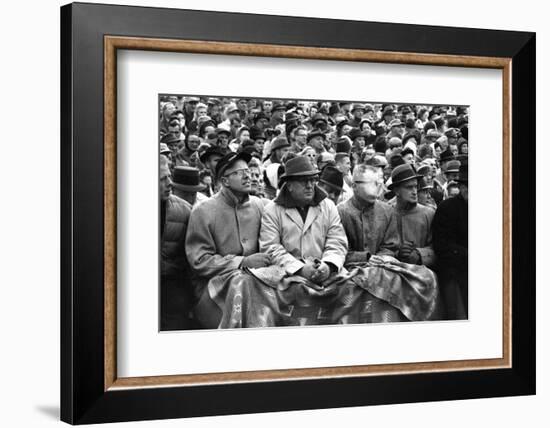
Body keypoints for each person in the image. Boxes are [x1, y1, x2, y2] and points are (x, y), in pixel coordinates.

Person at [185, 152, 270, 327]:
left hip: (258, 280)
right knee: (242, 283)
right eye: (239, 172)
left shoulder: (260, 205)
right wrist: (242, 261)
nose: (247, 176)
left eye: (248, 170)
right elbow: (200, 260)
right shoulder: (203, 211)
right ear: (225, 181)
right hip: (216, 287)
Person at [259, 156, 347, 281]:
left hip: (325, 272)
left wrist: (328, 265)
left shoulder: (328, 206)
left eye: (312, 180)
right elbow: (271, 248)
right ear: (289, 186)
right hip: (288, 273)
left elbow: (337, 241)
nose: (309, 186)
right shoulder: (272, 210)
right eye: (303, 181)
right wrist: (299, 269)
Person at [337, 165, 399, 264]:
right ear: (354, 186)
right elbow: (339, 251)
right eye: (370, 184)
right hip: (351, 270)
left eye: (378, 184)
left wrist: (380, 259)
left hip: (383, 267)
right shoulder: (340, 212)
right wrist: (364, 258)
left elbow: (391, 246)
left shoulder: (387, 211)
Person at [159, 155, 193, 330]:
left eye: (169, 176)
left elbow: (189, 259)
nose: (170, 183)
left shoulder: (185, 211)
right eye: (162, 179)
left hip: (171, 285)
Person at [432, 163, 468, 319]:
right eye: (465, 185)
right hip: (456, 271)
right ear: (460, 187)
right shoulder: (447, 208)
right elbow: (441, 245)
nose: (468, 189)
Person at [388, 164, 436, 268]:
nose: (414, 192)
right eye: (409, 187)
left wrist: (419, 255)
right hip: (392, 272)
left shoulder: (429, 214)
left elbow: (438, 248)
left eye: (415, 187)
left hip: (423, 273)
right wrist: (397, 254)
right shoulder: (387, 214)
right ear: (397, 191)